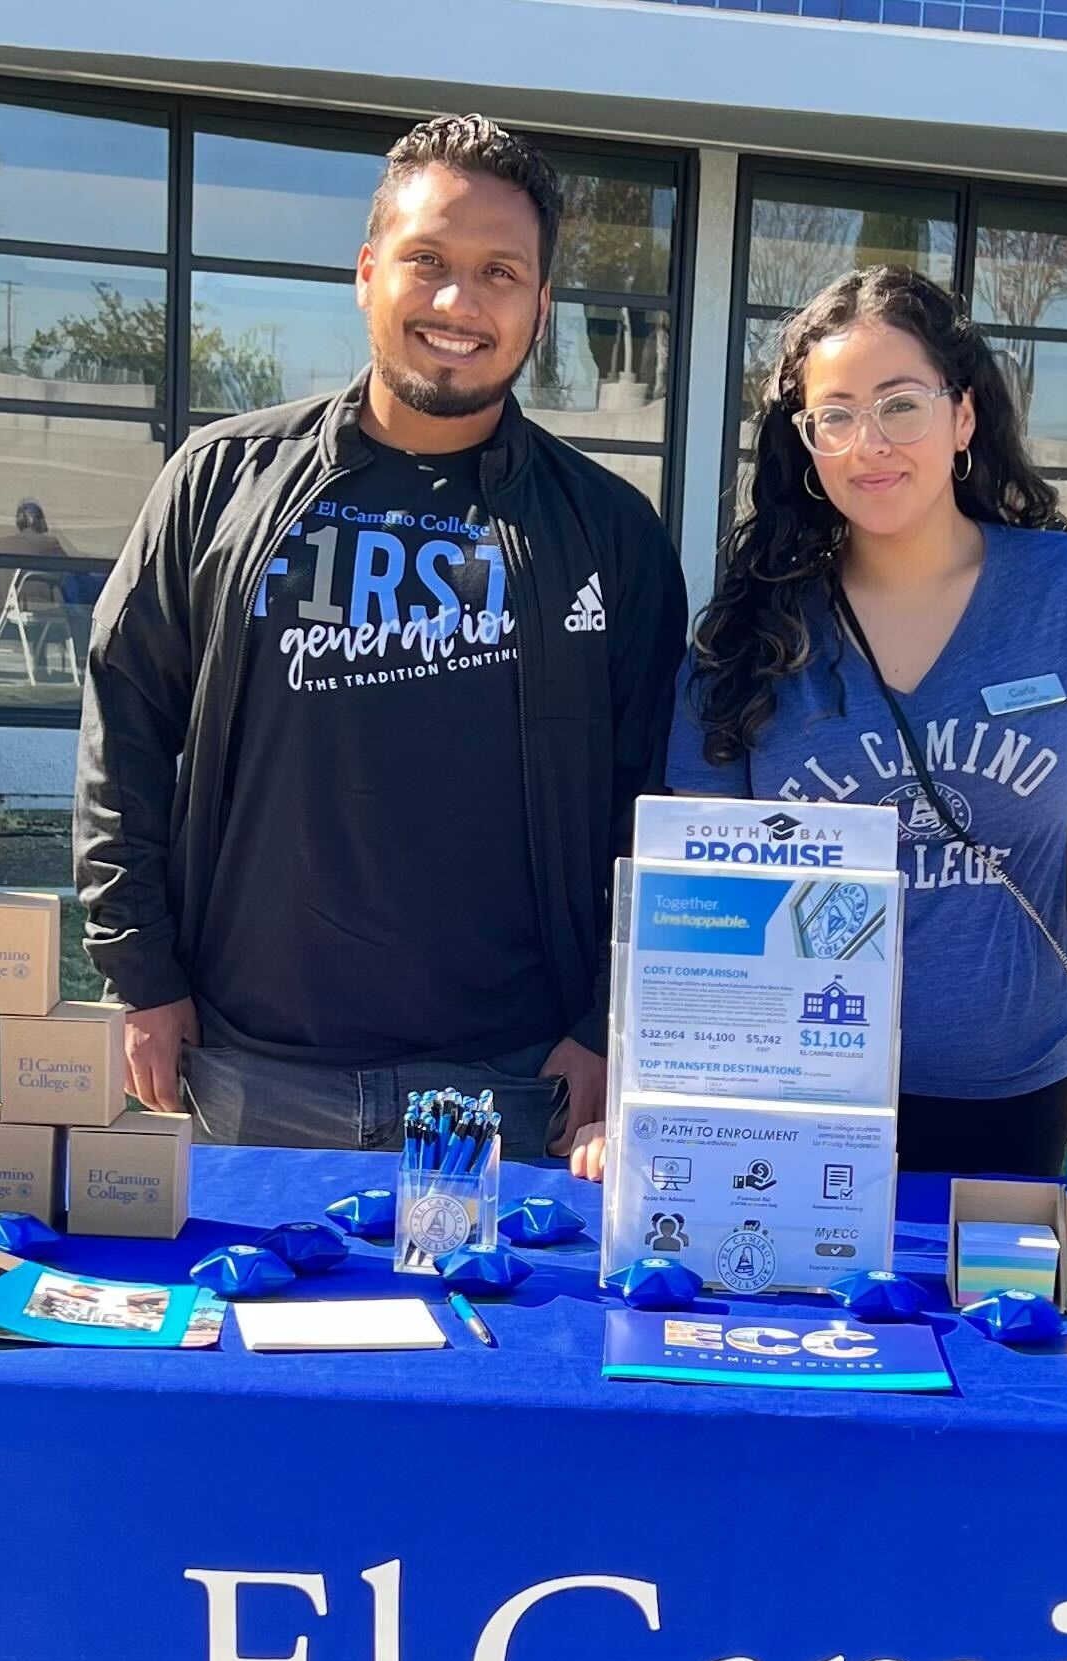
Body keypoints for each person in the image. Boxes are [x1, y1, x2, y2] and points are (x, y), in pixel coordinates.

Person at [75, 113, 687, 1159]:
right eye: (428, 261)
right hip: (251, 1070)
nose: (459, 302)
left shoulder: (609, 532)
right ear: (368, 273)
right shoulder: (222, 482)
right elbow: (123, 730)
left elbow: (656, 799)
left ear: (542, 307)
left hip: (510, 1082)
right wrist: (143, 973)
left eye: (501, 272)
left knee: (509, 1331)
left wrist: (604, 1022)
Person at [634, 265, 1067, 1182]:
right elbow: (701, 900)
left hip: (1013, 1095)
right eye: (835, 415)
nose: (868, 444)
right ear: (805, 442)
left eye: (900, 404)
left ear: (962, 417)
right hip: (795, 1106)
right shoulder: (746, 641)